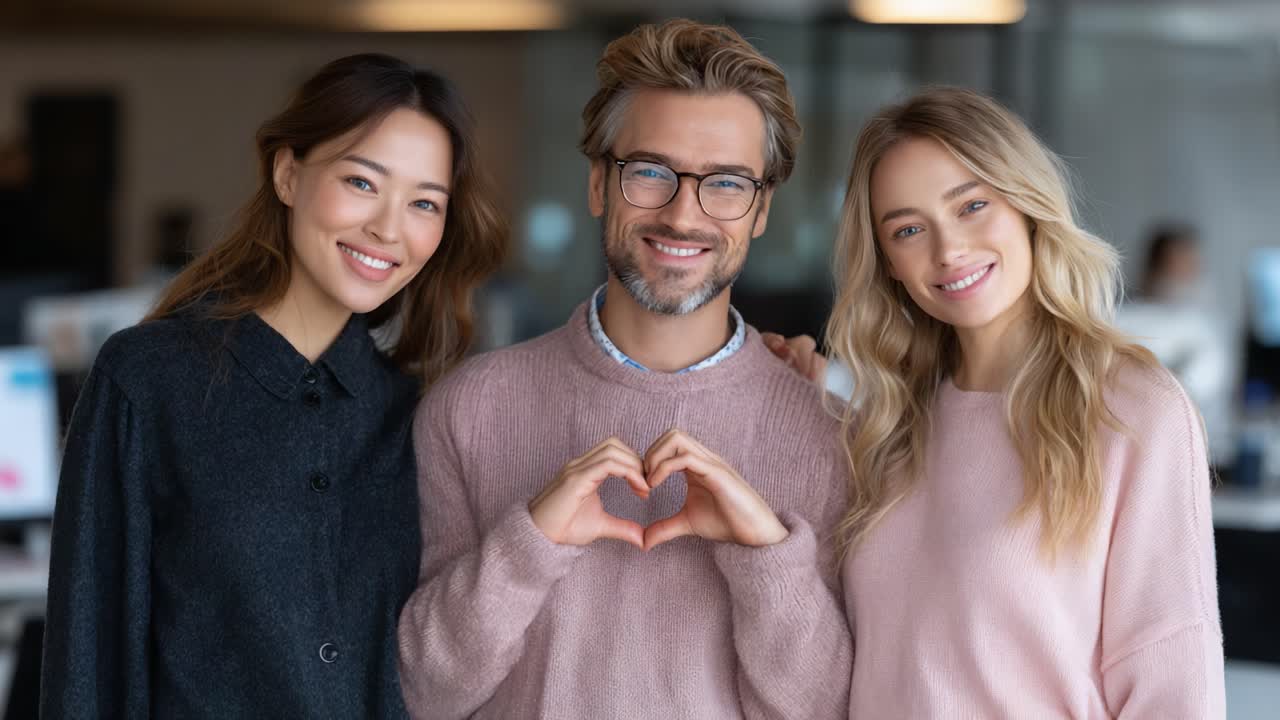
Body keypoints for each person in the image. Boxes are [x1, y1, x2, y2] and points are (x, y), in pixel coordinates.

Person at [396, 19, 851, 719]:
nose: (683, 214)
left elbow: (832, 709)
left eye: (726, 183)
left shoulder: (832, 436)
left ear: (760, 210)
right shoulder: (469, 409)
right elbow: (421, 695)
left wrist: (765, 555)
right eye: (650, 172)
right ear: (598, 185)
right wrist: (527, 547)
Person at [40, 53, 506, 718]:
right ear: (288, 174)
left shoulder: (417, 413)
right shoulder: (148, 379)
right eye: (362, 182)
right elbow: (88, 660)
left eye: (424, 203)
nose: (388, 227)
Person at [821, 87, 1225, 717]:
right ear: (888, 262)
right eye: (908, 229)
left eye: (972, 206)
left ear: (1028, 206)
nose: (948, 249)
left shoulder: (1133, 412)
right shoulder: (886, 423)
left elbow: (1174, 687)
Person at [1114, 224, 1234, 460]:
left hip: (1196, 451)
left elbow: (1199, 385)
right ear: (1154, 266)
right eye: (1176, 264)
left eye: (1192, 265)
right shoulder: (1118, 317)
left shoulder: (1206, 325)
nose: (1185, 274)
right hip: (1130, 446)